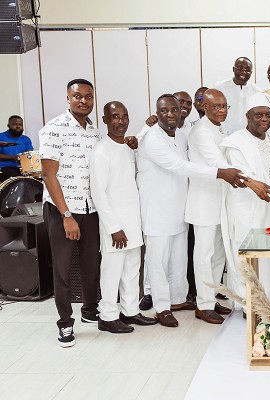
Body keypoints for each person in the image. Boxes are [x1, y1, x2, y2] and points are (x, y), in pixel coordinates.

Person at [39, 78, 137, 347]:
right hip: (62, 210)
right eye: (77, 96)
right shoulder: (54, 129)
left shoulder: (94, 133)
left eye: (88, 96)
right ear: (68, 98)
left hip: (91, 208)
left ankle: (90, 310)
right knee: (63, 270)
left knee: (91, 265)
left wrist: (130, 141)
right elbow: (48, 175)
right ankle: (65, 324)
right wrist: (66, 215)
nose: (83, 101)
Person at [136, 94, 245, 328]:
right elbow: (180, 166)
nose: (171, 114)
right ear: (157, 112)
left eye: (174, 110)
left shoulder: (180, 135)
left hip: (179, 206)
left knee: (179, 259)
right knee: (158, 261)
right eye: (164, 111)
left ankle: (179, 300)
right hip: (157, 208)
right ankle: (162, 307)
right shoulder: (152, 139)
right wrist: (220, 173)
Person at [186, 88, 270, 324]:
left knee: (217, 255)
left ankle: (212, 298)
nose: (221, 110)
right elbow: (222, 165)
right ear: (204, 106)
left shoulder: (220, 127)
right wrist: (252, 183)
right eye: (216, 106)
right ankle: (203, 305)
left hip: (221, 201)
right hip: (204, 203)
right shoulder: (201, 131)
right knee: (204, 255)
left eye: (224, 106)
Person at [90, 101, 158, 334]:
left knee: (132, 269)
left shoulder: (129, 147)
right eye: (115, 116)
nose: (120, 121)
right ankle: (107, 316)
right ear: (105, 120)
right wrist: (113, 227)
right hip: (115, 225)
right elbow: (98, 193)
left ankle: (130, 311)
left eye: (124, 116)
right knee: (112, 271)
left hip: (133, 220)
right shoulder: (101, 151)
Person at [221, 93, 270, 304]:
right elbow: (242, 175)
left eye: (267, 115)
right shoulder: (236, 142)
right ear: (247, 116)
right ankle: (249, 305)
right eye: (258, 115)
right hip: (248, 207)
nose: (264, 119)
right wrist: (262, 189)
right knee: (248, 254)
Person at [215, 57, 262, 134]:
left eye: (247, 70)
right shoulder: (219, 88)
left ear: (251, 72)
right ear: (233, 69)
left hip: (248, 135)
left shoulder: (257, 92)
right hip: (223, 134)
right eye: (240, 68)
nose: (243, 72)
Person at [0, 115, 33, 181]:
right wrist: (13, 157)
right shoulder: (1, 137)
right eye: (14, 124)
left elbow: (29, 155)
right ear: (8, 125)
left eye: (20, 124)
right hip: (5, 168)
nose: (18, 126)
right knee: (17, 179)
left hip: (23, 168)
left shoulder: (26, 139)